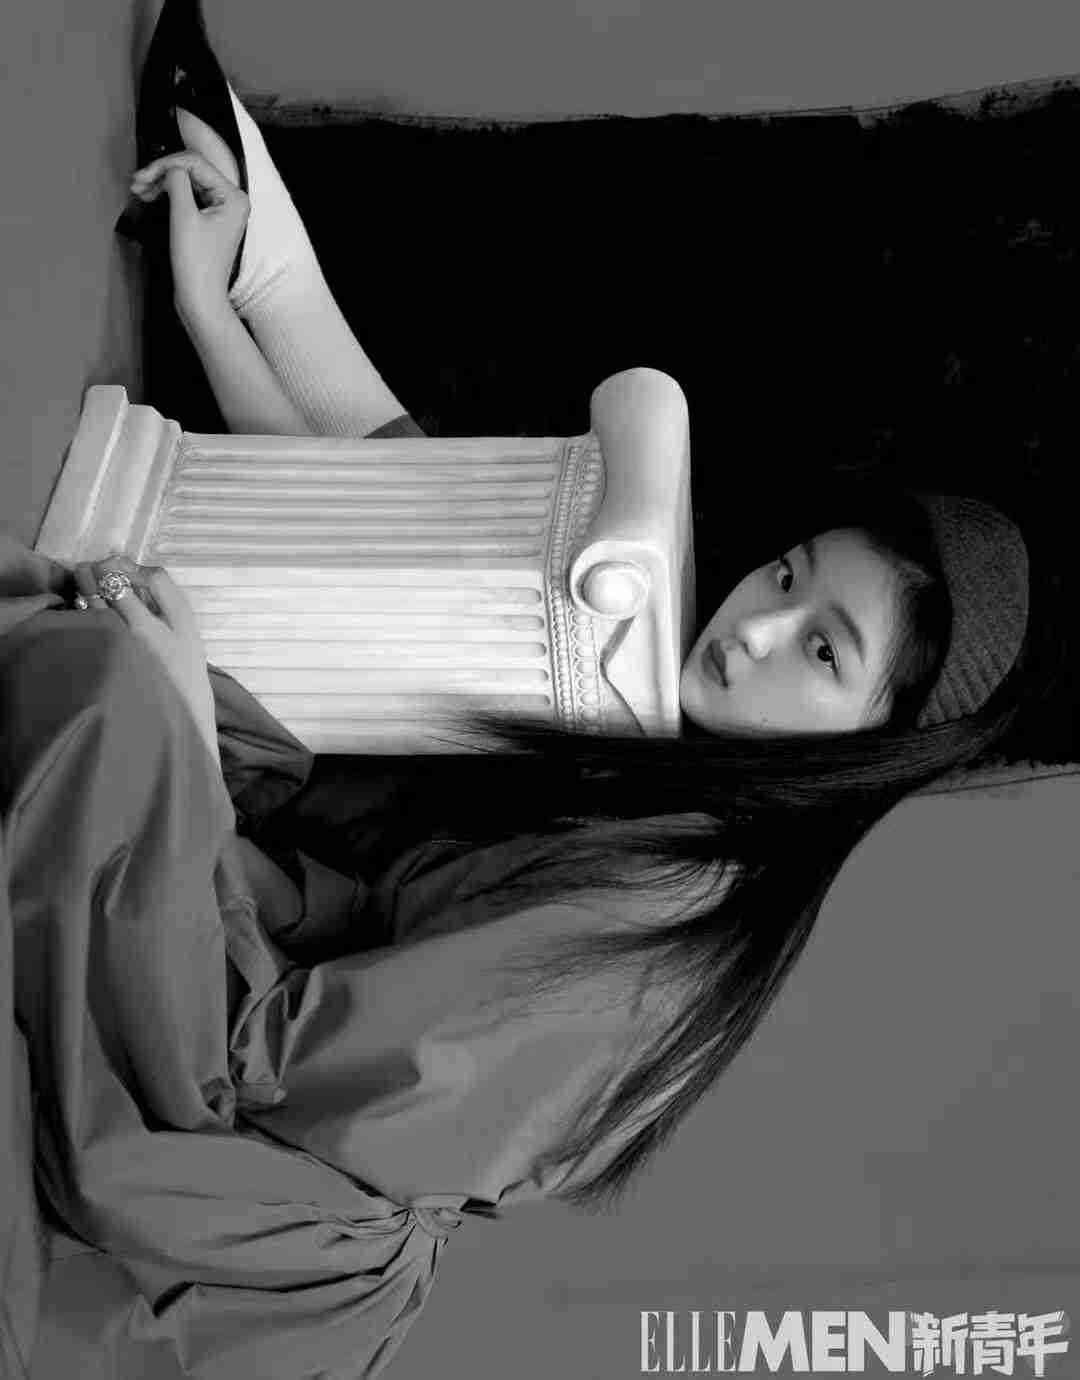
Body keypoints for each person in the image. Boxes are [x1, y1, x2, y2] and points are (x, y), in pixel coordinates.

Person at [1, 3, 1034, 1375]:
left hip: (239, 1208)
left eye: (825, 653)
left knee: (116, 687)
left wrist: (185, 756)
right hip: (272, 1017)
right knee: (149, 662)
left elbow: (262, 1071)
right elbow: (400, 507)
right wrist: (219, 294)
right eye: (788, 576)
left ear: (870, 748)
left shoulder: (656, 921)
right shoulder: (652, 736)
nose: (757, 630)